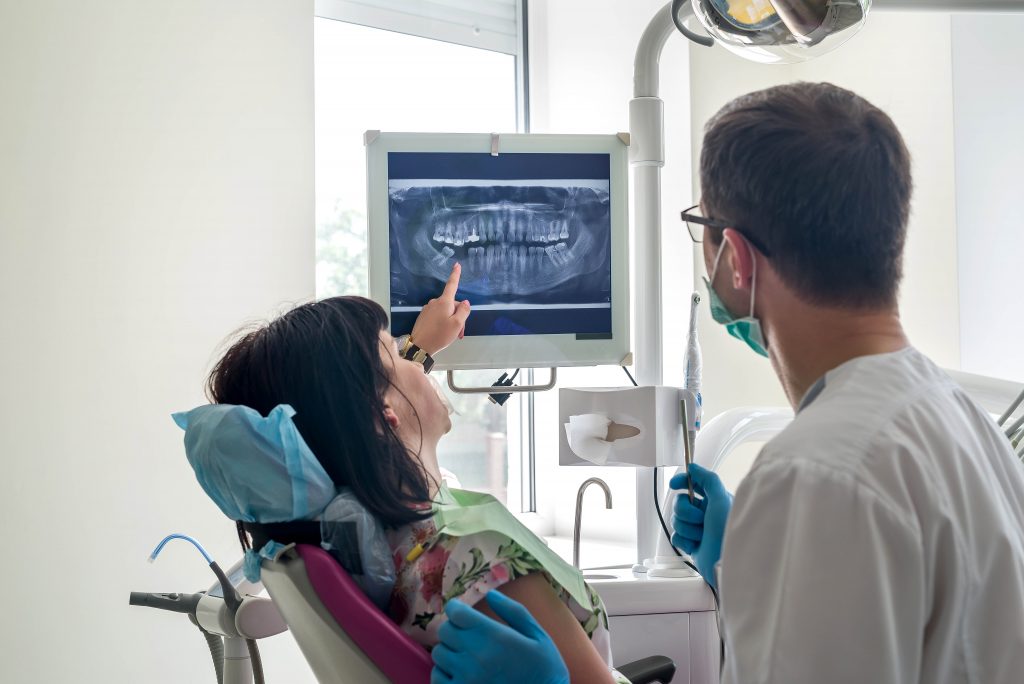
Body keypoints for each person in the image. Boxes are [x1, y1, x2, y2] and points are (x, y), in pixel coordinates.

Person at [433, 82, 1024, 684]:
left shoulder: (815, 474)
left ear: (736, 259)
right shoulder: (970, 427)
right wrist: (740, 569)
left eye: (703, 227)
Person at [198, 263, 630, 684]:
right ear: (382, 416)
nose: (412, 358)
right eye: (394, 352)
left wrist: (414, 354)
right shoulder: (477, 565)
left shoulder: (388, 553)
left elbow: (380, 419)